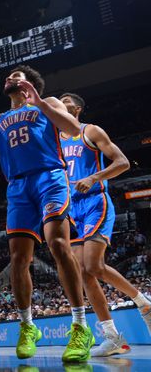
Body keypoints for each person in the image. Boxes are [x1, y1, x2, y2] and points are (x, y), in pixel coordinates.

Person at [0, 66, 93, 362]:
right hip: (18, 187)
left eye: (16, 75)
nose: (9, 78)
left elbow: (72, 129)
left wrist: (40, 100)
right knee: (19, 259)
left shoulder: (49, 104)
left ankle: (81, 325)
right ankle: (27, 325)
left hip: (50, 179)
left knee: (59, 245)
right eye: (8, 76)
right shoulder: (0, 119)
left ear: (30, 83)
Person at [59, 92, 151, 356]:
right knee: (85, 275)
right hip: (70, 210)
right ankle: (112, 338)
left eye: (65, 104)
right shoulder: (55, 142)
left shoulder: (90, 131)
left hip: (94, 202)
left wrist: (95, 177)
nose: (59, 108)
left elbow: (122, 162)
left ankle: (143, 303)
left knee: (94, 266)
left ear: (76, 110)